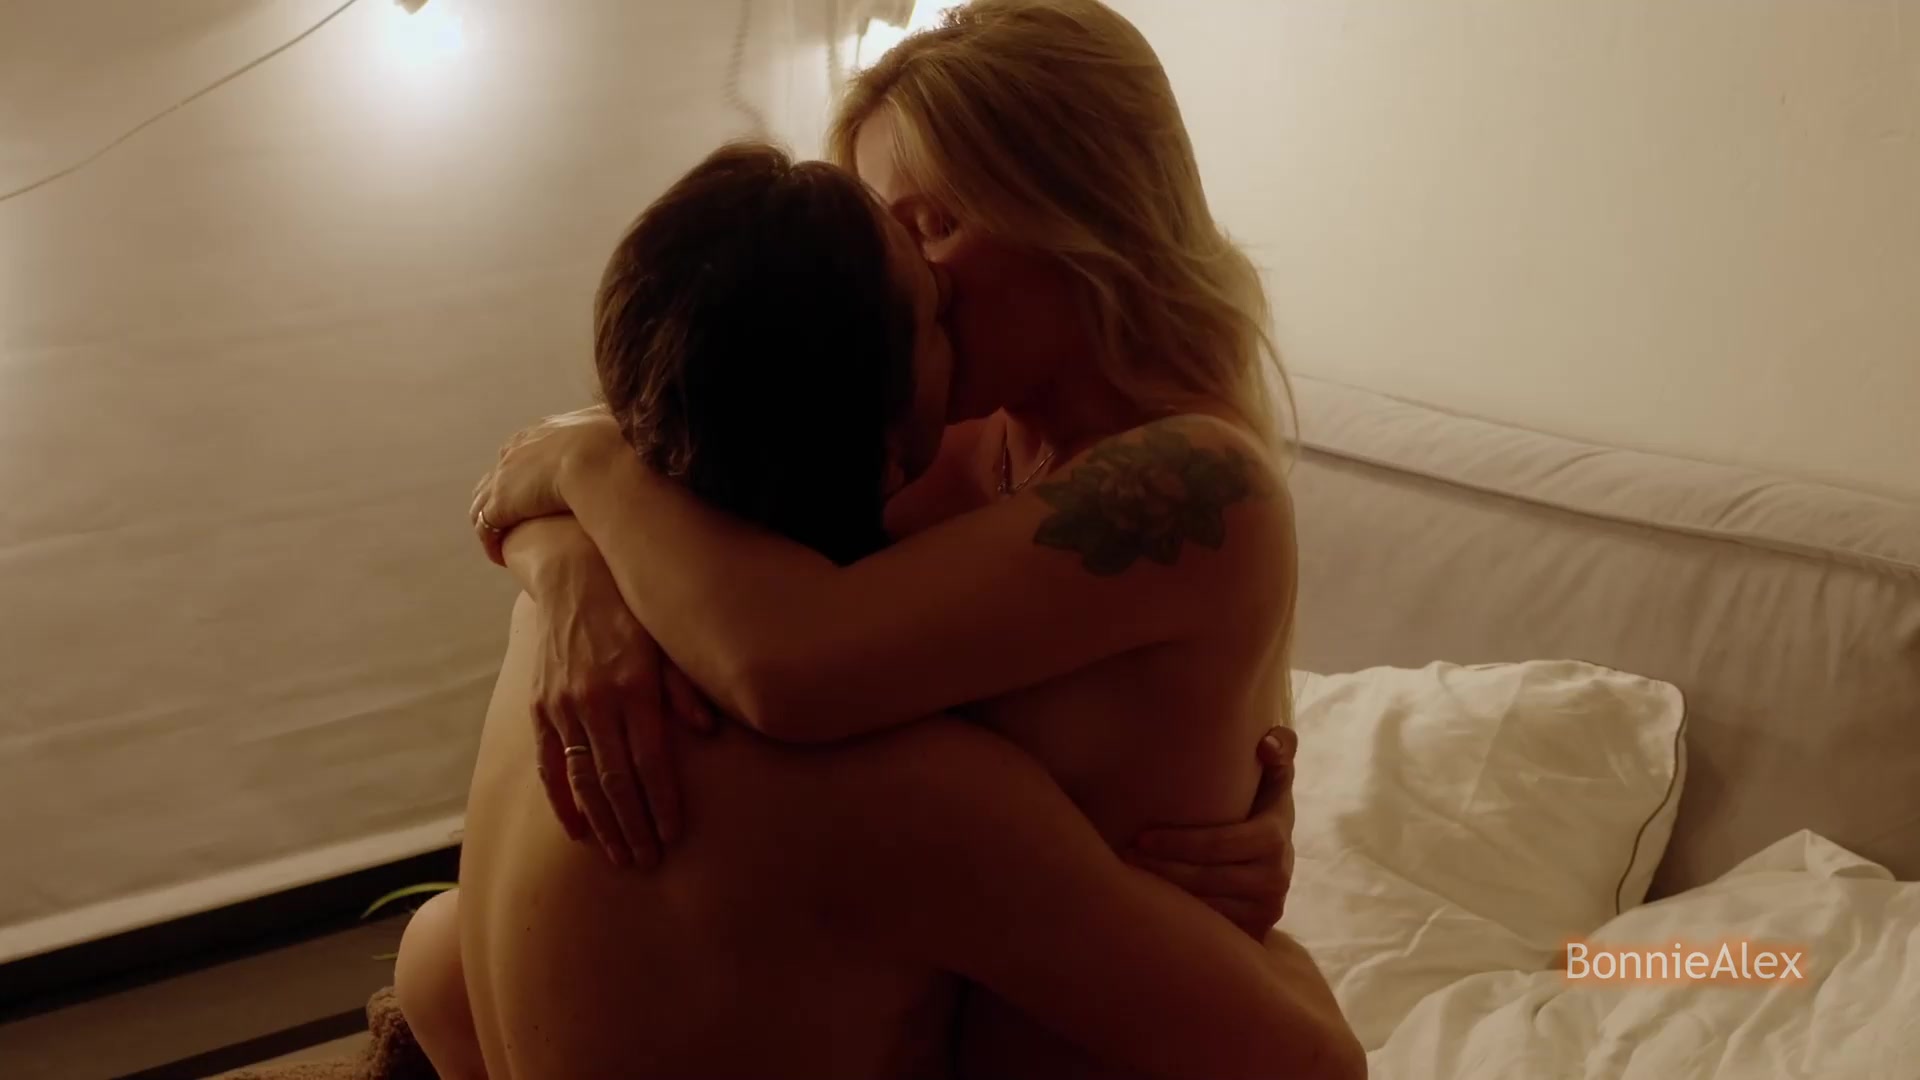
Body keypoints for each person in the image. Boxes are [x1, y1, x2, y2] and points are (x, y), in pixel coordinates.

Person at [467, 2, 1315, 1077]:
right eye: (886, 227)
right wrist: (570, 566)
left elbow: (790, 657)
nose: (908, 277)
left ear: (1080, 214)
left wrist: (586, 471)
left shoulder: (1195, 480)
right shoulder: (950, 442)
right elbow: (682, 437)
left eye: (934, 225)